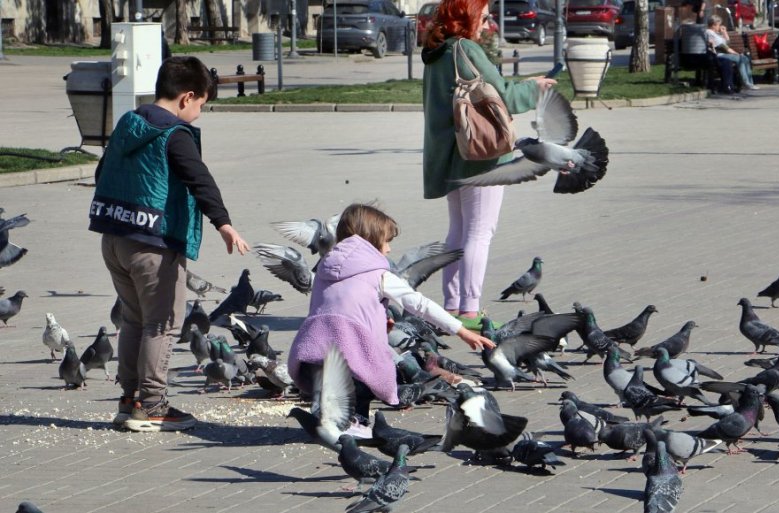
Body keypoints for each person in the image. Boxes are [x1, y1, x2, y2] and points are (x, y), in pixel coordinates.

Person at [89, 56, 250, 432]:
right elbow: (200, 179)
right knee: (161, 324)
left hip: (114, 238)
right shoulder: (174, 135)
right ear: (186, 97)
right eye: (200, 105)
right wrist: (223, 224)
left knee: (133, 319)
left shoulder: (130, 122)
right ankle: (153, 405)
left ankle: (129, 402)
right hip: (152, 244)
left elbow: (102, 172)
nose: (198, 113)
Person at [286, 203, 495, 419]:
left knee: (334, 393)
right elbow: (420, 304)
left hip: (313, 349)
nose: (389, 249)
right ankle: (356, 423)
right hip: (351, 353)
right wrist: (461, 330)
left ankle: (329, 419)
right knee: (368, 381)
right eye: (386, 241)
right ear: (371, 240)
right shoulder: (378, 274)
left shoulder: (323, 268)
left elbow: (330, 308)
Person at [421, 0, 556, 330]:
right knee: (480, 233)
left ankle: (451, 305)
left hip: (450, 154)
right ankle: (470, 309)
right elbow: (505, 97)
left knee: (458, 230)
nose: (487, 22)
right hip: (480, 153)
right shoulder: (466, 49)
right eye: (483, 15)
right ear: (467, 16)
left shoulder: (436, 52)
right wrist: (535, 88)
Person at [705, 15, 759, 91]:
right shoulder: (710, 33)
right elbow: (725, 48)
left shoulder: (715, 33)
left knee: (744, 59)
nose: (720, 27)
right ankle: (746, 83)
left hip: (724, 54)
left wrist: (724, 32)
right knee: (741, 59)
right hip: (719, 56)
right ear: (714, 25)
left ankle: (749, 83)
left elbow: (727, 42)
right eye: (719, 25)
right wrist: (737, 54)